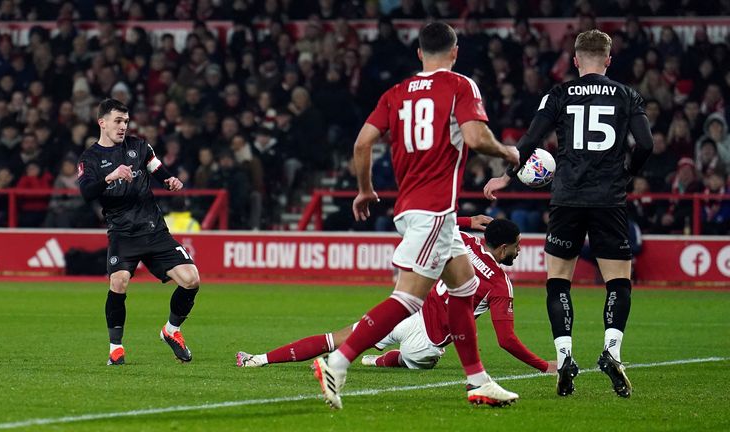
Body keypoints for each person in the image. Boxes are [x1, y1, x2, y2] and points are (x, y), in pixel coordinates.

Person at [312, 22, 520, 409]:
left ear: (419, 54)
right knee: (408, 298)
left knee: (463, 287)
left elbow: (362, 142)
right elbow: (475, 139)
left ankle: (478, 380)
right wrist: (508, 153)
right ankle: (338, 363)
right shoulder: (460, 85)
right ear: (454, 52)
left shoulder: (396, 93)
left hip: (412, 207)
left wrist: (364, 189)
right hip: (436, 209)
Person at [484, 30, 654, 398]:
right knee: (618, 282)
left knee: (559, 281)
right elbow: (647, 144)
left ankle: (564, 358)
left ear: (576, 60)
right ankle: (612, 352)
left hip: (567, 198)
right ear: (609, 60)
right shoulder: (627, 95)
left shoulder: (558, 94)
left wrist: (505, 176)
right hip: (609, 198)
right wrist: (627, 175)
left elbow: (529, 141)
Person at [238, 218, 557, 375]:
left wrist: (469, 222)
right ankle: (377, 360)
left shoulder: (462, 241)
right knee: (420, 360)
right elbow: (506, 340)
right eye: (517, 245)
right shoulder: (500, 284)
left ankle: (258, 359)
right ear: (503, 248)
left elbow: (434, 224)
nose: (519, 250)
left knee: (337, 337)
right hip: (428, 342)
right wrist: (545, 366)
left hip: (407, 313)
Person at [78, 99, 201, 366]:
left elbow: (156, 167)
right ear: (103, 122)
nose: (123, 126)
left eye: (126, 121)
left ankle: (172, 330)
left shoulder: (139, 146)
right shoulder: (90, 158)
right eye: (118, 121)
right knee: (118, 282)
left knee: (191, 280)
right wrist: (110, 176)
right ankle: (116, 348)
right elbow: (86, 192)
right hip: (123, 232)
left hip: (153, 228)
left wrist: (169, 179)